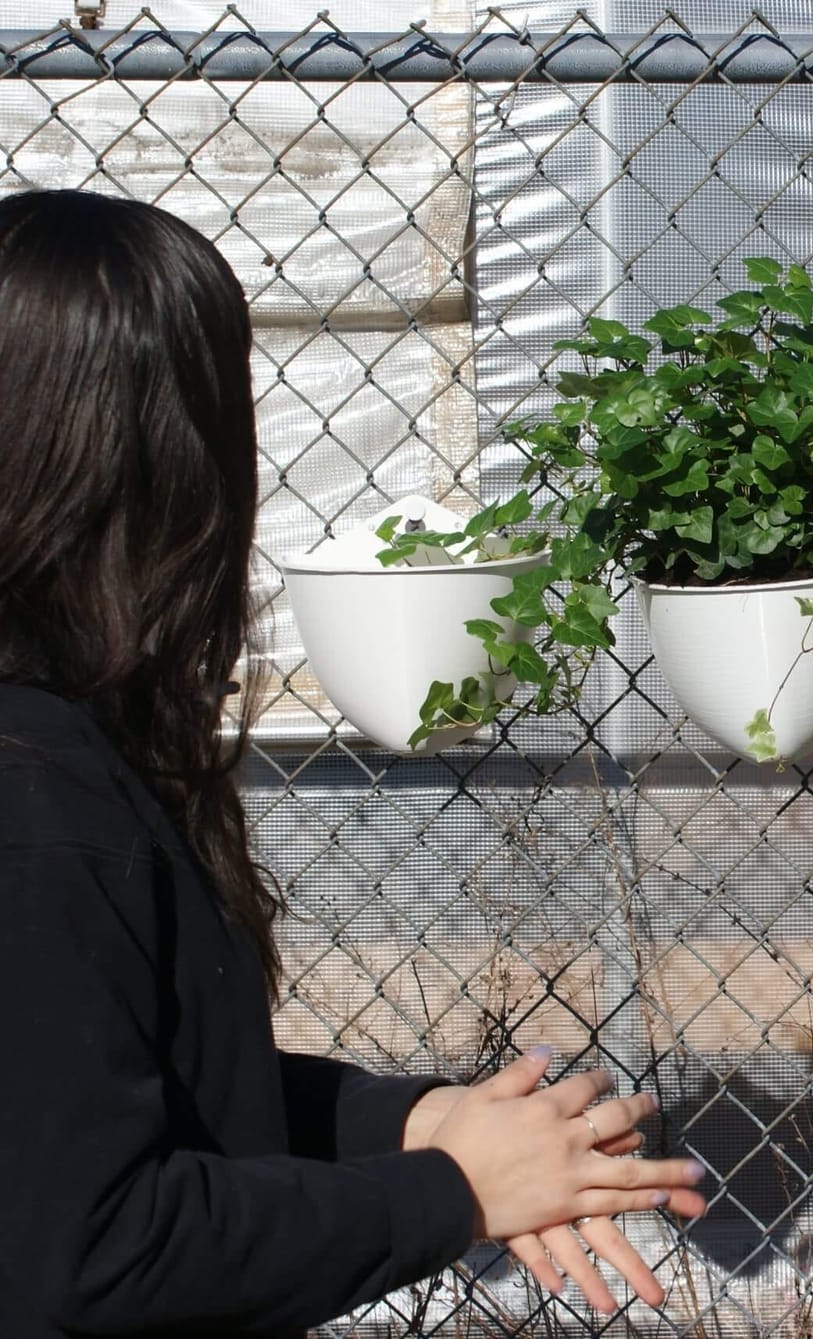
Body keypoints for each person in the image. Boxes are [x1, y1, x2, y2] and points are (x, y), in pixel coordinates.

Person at [0, 189, 706, 1336]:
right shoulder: (34, 804)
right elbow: (89, 1256)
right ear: (161, 454)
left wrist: (416, 1124)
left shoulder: (64, 750)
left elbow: (122, 1096)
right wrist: (451, 1195)